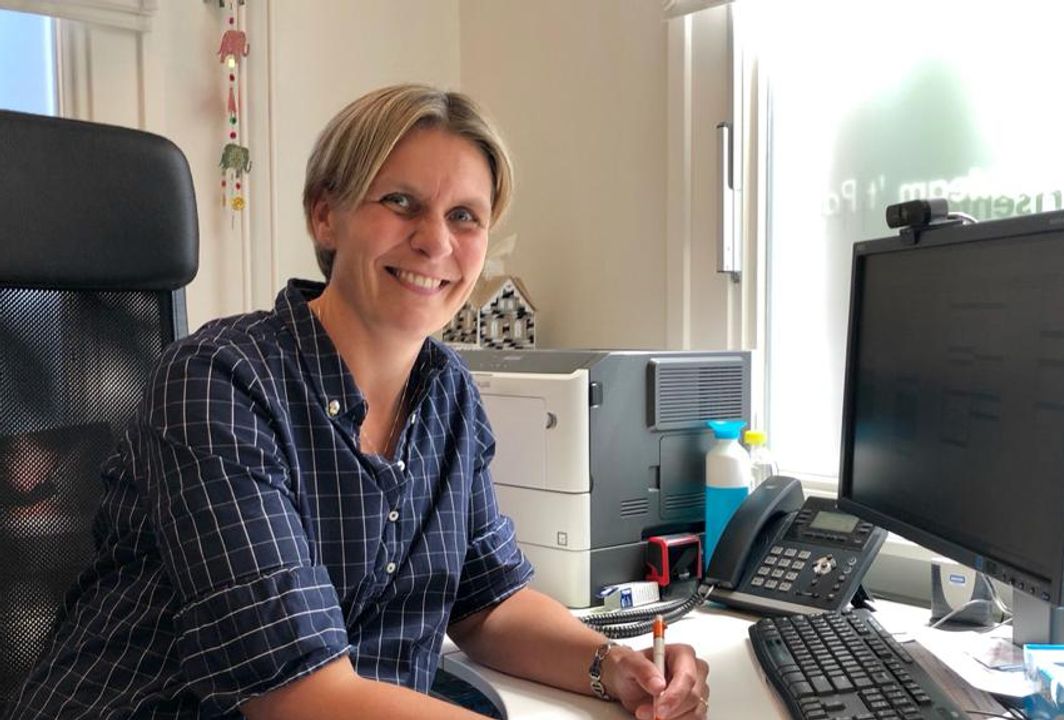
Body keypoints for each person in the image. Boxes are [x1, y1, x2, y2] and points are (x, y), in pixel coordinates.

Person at [7, 84, 710, 720]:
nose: (435, 241)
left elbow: (488, 603)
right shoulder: (220, 381)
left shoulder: (448, 395)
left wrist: (612, 667)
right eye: (401, 202)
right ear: (326, 217)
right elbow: (298, 695)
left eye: (464, 216)